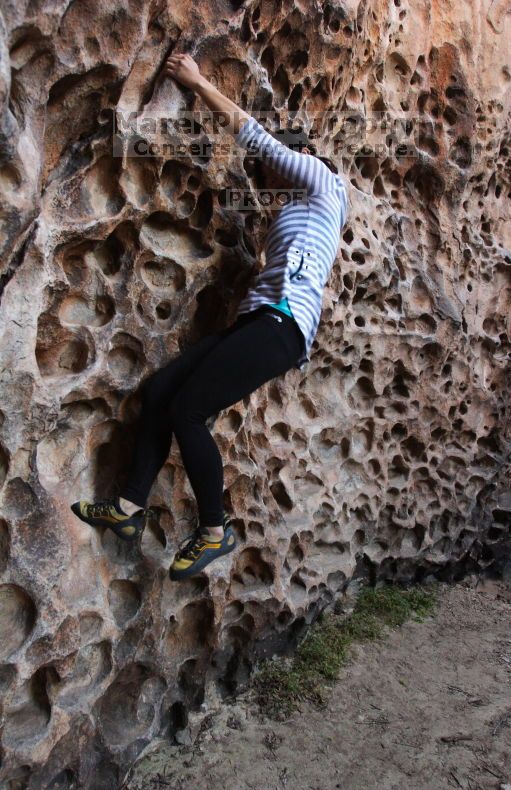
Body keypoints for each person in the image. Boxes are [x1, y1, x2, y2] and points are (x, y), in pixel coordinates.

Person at [71, 51, 348, 581]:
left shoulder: (322, 184)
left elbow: (259, 138)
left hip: (281, 326)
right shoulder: (295, 212)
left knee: (189, 412)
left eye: (272, 167)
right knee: (159, 394)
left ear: (302, 156)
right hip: (257, 323)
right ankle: (129, 508)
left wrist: (198, 83)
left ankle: (215, 532)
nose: (266, 173)